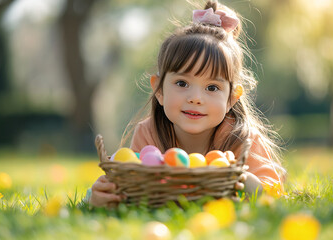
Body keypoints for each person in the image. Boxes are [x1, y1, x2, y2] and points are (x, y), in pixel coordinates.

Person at [89, 0, 286, 208]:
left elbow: (273, 193)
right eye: (182, 83)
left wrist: (240, 178)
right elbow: (132, 187)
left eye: (212, 87)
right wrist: (102, 195)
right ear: (159, 90)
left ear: (232, 98)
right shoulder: (149, 133)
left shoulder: (242, 138)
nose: (195, 98)